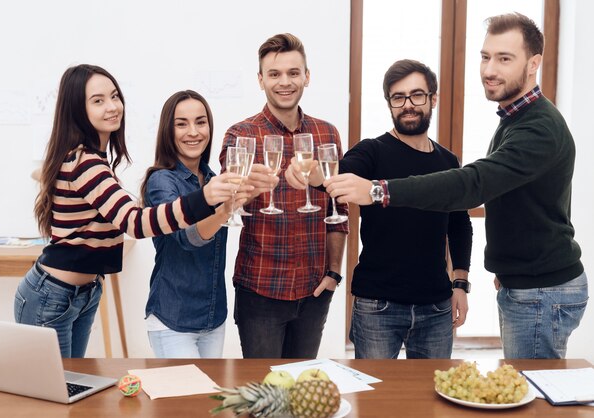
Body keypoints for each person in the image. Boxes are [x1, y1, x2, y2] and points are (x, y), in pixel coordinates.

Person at [322, 13, 588, 359]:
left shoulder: (534, 128)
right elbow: (335, 177)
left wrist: (377, 191)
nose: (490, 69)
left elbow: (473, 187)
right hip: (521, 285)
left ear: (534, 63)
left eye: (504, 58)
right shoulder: (515, 119)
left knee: (534, 400)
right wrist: (510, 273)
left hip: (535, 289)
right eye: (485, 56)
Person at [14, 65, 244, 358]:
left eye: (114, 96)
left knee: (69, 390)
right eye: (97, 101)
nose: (112, 107)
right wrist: (206, 197)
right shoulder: (85, 162)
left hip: (82, 293)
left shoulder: (94, 160)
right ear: (77, 109)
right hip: (53, 295)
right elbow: (135, 223)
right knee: (55, 395)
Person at [286, 59, 473, 359]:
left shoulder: (448, 162)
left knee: (430, 401)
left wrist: (460, 283)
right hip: (377, 307)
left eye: (417, 95)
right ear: (389, 104)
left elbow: (460, 223)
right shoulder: (371, 151)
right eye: (398, 98)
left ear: (433, 99)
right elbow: (336, 179)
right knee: (374, 401)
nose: (408, 104)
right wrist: (313, 175)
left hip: (436, 307)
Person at [219, 33, 349, 359]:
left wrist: (333, 273)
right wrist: (246, 187)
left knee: (302, 392)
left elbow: (339, 209)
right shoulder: (241, 134)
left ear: (307, 76)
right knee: (266, 396)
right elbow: (227, 204)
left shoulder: (327, 133)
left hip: (314, 292)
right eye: (274, 74)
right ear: (261, 80)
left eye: (293, 73)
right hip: (260, 290)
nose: (284, 82)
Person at [140, 90, 230, 358]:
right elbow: (187, 238)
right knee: (183, 400)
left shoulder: (214, 179)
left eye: (201, 122)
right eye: (182, 124)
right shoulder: (161, 181)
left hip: (214, 317)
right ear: (168, 130)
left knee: (209, 399)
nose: (193, 132)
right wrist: (226, 210)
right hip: (173, 319)